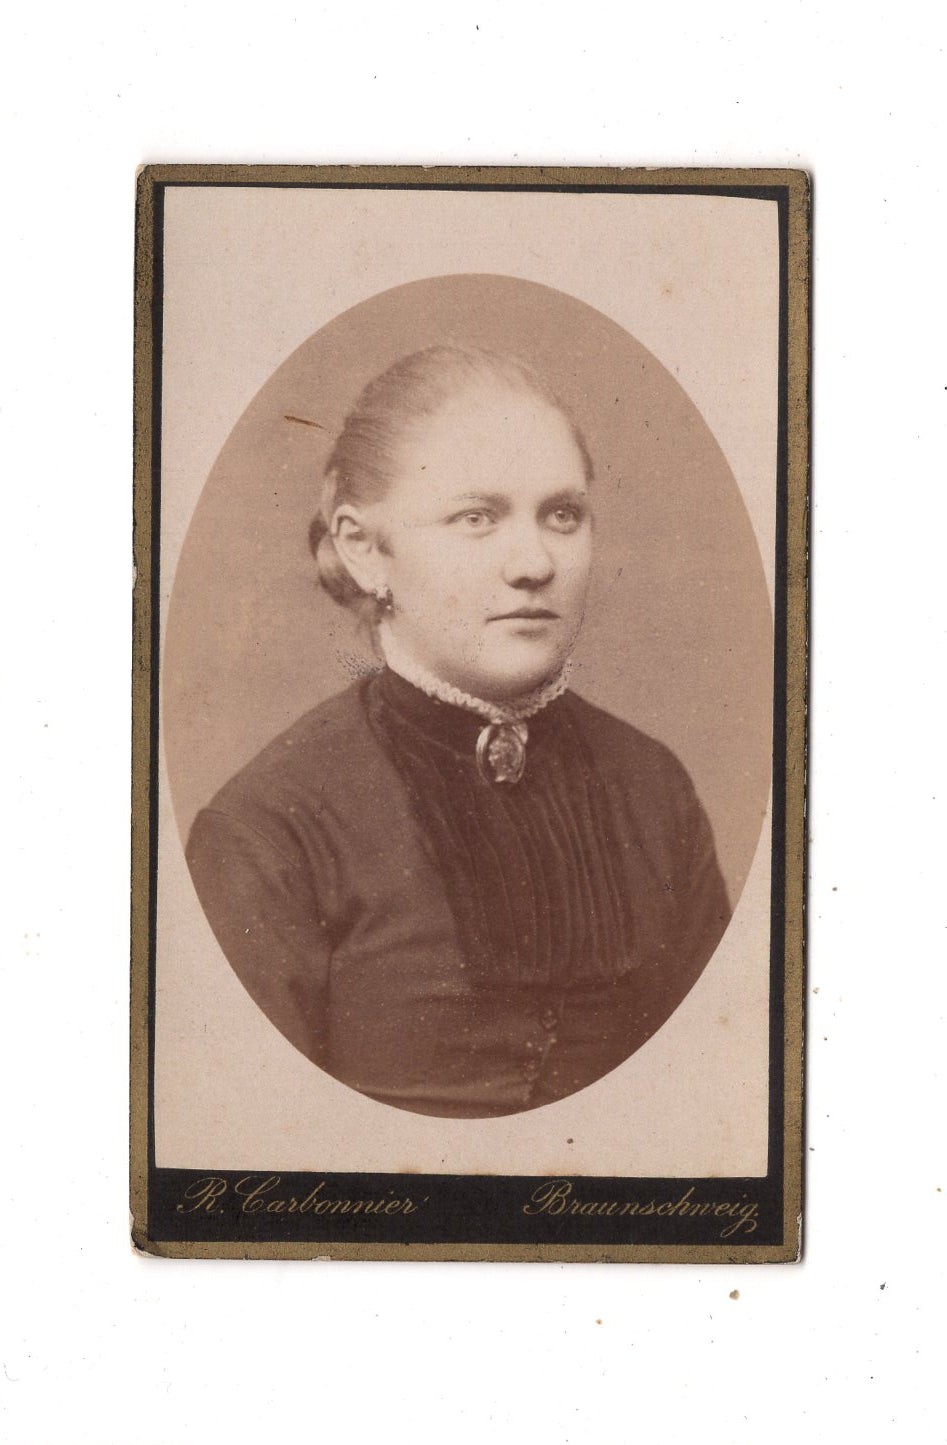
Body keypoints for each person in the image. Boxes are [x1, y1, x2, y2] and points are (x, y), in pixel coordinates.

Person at [185, 345, 731, 1119]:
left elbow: (716, 1106)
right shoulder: (272, 827)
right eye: (476, 518)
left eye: (562, 514)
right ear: (363, 549)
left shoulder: (651, 788)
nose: (533, 562)